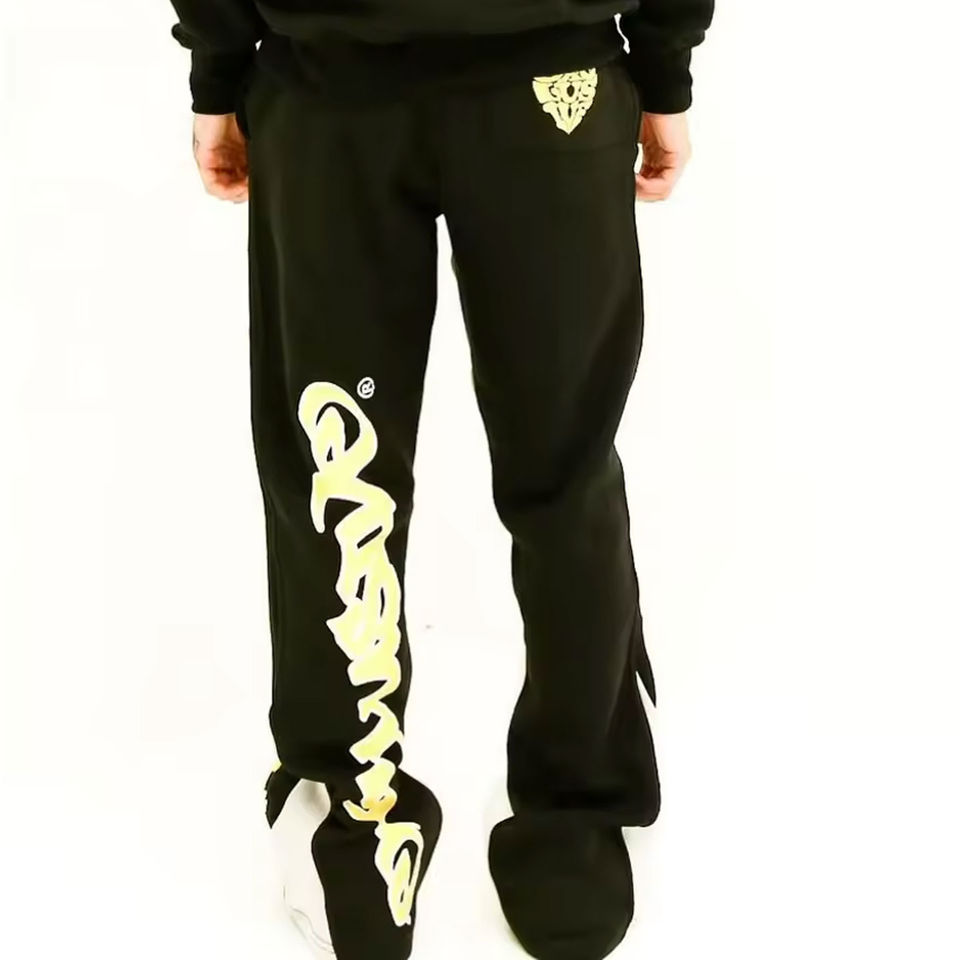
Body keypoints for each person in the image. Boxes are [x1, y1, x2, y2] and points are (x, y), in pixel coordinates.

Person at [167, 3, 713, 959]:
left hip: (332, 90)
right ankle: (576, 833)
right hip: (551, 85)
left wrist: (219, 64)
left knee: (340, 476)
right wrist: (665, 64)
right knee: (566, 467)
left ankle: (357, 838)